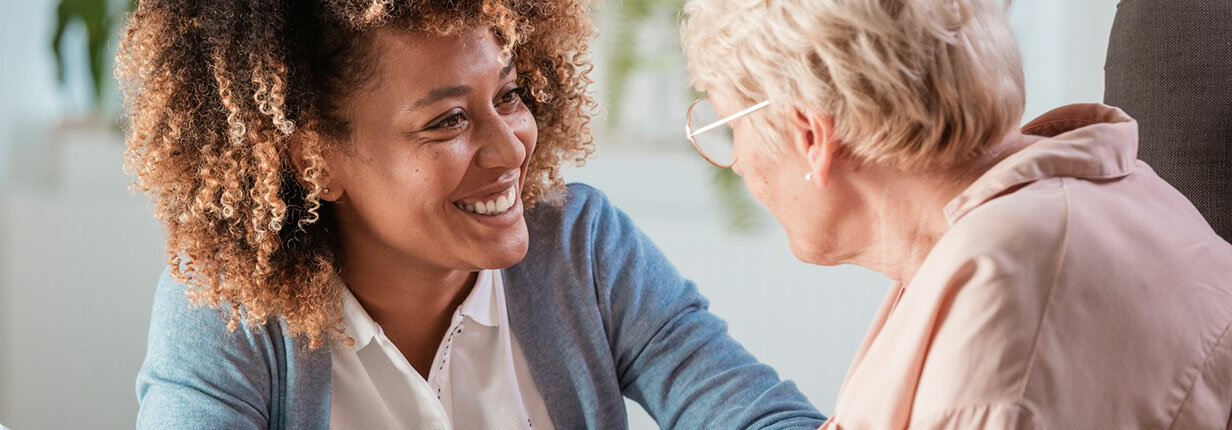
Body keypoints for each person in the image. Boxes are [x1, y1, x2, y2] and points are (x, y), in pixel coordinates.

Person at [119, 1, 825, 428]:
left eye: (510, 95)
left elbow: (754, 416)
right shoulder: (226, 313)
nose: (508, 146)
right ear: (313, 160)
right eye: (448, 120)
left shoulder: (582, 248)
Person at [680, 0, 1232, 428]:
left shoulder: (1002, 305)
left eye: (731, 126)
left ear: (810, 135)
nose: (738, 164)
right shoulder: (1100, 193)